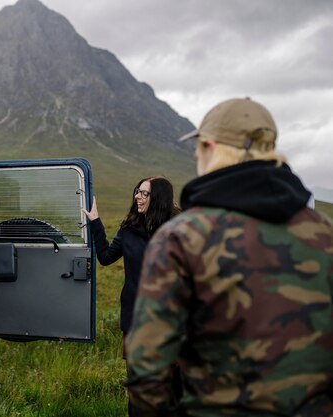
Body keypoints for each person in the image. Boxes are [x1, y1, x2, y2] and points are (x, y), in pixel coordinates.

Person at [125, 97, 333, 416]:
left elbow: (147, 363)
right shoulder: (324, 234)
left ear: (208, 147)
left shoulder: (183, 237)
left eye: (197, 148)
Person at [83, 176, 180, 359]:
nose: (137, 196)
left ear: (158, 199)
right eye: (137, 191)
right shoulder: (129, 229)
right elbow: (105, 257)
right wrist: (95, 221)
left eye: (144, 193)